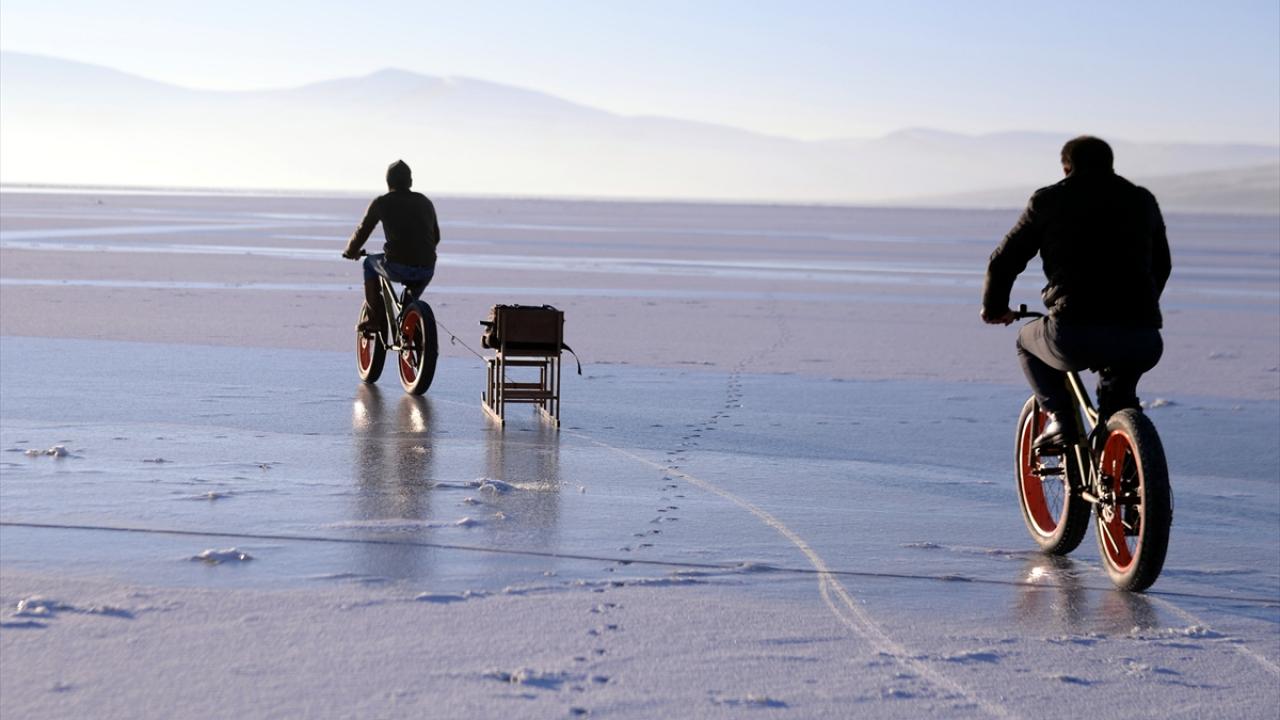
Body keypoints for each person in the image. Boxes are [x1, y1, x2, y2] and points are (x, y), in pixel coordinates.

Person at [981, 136, 1172, 449]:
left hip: (1074, 332)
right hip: (1143, 337)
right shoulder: (1141, 200)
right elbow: (1161, 265)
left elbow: (1004, 261)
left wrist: (995, 307)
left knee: (1026, 343)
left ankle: (1061, 420)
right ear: (1111, 165)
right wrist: (1142, 307)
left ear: (1066, 167)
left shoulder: (1049, 200)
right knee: (1119, 398)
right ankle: (1129, 465)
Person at [342, 160, 440, 334]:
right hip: (426, 268)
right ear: (410, 181)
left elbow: (362, 231)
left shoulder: (382, 202)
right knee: (410, 301)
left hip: (397, 266)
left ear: (388, 182)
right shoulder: (425, 202)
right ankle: (411, 329)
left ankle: (373, 319)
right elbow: (436, 238)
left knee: (369, 264)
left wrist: (350, 252)